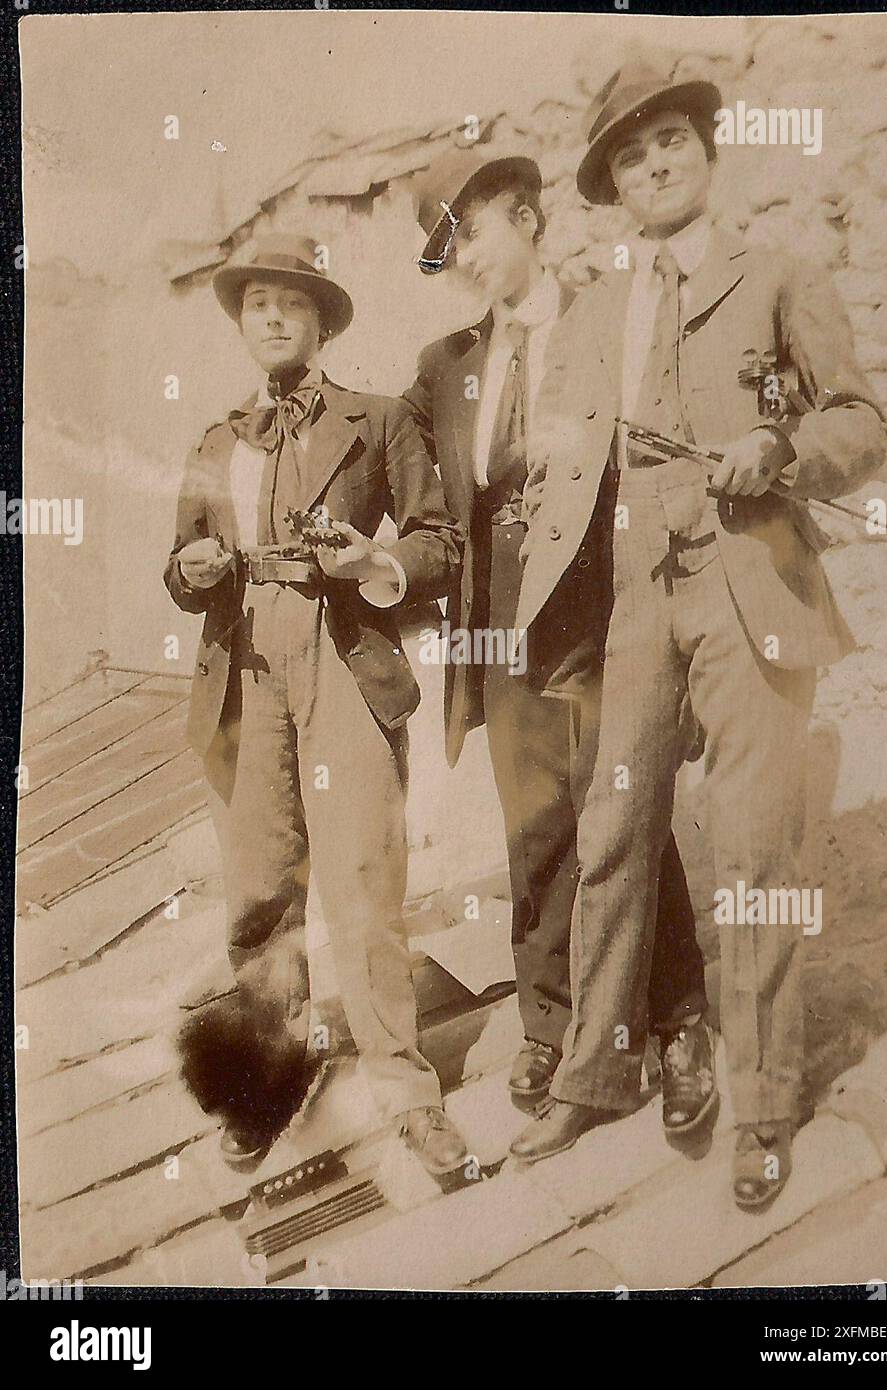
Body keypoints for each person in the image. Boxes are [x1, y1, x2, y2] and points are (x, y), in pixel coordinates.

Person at [509, 64, 887, 1206]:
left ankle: (766, 1102)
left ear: (706, 151)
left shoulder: (776, 275)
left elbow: (861, 421)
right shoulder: (593, 315)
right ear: (614, 185)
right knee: (614, 829)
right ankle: (596, 1068)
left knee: (756, 855)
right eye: (632, 155)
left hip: (751, 592)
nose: (656, 165)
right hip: (636, 605)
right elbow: (561, 456)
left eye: (671, 141)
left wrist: (784, 452)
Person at [405, 150, 710, 1124]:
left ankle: (676, 1021)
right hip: (497, 625)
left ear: (529, 217)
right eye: (450, 249)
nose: (466, 259)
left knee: (621, 812)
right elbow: (409, 486)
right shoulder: (447, 366)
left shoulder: (610, 315)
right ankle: (552, 1023)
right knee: (534, 828)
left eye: (476, 231)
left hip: (597, 605)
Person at [166, 234, 469, 1175]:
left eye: (290, 304)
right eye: (256, 303)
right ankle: (265, 1082)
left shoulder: (376, 421)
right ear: (241, 322)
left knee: (364, 884)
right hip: (244, 670)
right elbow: (175, 572)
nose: (270, 318)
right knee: (259, 892)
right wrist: (193, 567)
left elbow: (441, 541)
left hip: (341, 659)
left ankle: (408, 1091)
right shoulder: (215, 441)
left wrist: (368, 562)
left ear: (320, 322)